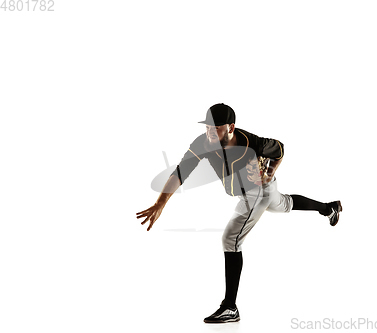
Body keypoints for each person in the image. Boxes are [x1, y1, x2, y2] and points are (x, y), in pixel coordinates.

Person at [136, 103, 342, 323]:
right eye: (207, 127)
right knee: (284, 204)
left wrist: (270, 172)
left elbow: (279, 149)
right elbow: (181, 171)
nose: (210, 132)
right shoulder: (202, 144)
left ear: (231, 127)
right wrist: (160, 203)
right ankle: (329, 208)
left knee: (231, 239)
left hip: (257, 192)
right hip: (255, 189)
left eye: (216, 128)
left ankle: (230, 307)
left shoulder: (250, 142)